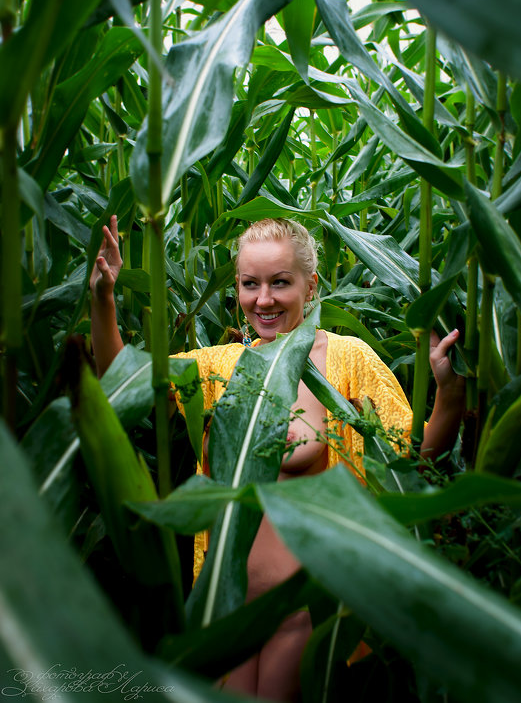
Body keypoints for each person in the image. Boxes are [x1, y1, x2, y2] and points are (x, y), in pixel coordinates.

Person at [90, 215, 465, 702]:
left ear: (310, 286)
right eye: (250, 284)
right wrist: (103, 300)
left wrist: (450, 400)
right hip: (226, 609)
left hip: (307, 610)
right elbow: (122, 382)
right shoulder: (221, 365)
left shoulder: (348, 362)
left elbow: (408, 468)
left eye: (280, 283)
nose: (263, 299)